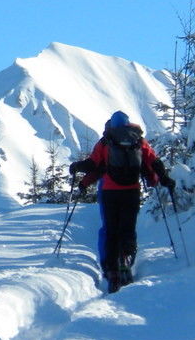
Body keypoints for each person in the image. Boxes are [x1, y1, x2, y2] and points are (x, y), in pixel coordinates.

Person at [69, 110, 175, 293]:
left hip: (110, 192)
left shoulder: (106, 142)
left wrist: (77, 168)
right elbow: (154, 161)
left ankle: (112, 271)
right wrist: (163, 179)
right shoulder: (138, 141)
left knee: (111, 230)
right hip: (132, 192)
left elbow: (93, 165)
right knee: (128, 228)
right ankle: (125, 258)